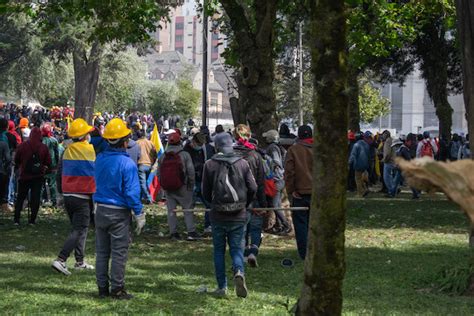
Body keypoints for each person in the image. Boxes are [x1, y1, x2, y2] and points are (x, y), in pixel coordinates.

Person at [93, 118, 145, 300]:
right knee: (118, 253)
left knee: (101, 252)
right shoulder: (127, 163)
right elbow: (131, 193)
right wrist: (139, 213)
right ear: (125, 141)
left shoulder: (99, 159)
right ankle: (117, 289)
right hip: (118, 213)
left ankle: (102, 288)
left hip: (99, 210)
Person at [202, 132, 257, 298]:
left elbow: (204, 192)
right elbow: (253, 188)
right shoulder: (243, 163)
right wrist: (246, 205)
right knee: (236, 249)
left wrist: (212, 205)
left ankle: (222, 287)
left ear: (217, 146)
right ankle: (239, 271)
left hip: (218, 215)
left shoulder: (209, 164)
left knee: (219, 251)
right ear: (231, 144)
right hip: (239, 214)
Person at [51, 118, 96, 276]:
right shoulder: (91, 151)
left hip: (68, 195)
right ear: (84, 136)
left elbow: (59, 174)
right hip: (83, 196)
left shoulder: (66, 151)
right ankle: (61, 259)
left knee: (80, 229)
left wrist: (60, 194)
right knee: (79, 229)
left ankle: (80, 261)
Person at [234, 124, 266, 267]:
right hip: (253, 197)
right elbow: (260, 181)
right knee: (255, 227)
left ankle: (242, 257)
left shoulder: (230, 154)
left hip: (235, 197)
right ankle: (253, 251)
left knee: (241, 229)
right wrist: (263, 203)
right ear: (250, 136)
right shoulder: (256, 155)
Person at [159, 132, 199, 241]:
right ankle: (190, 232)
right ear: (180, 141)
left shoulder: (163, 156)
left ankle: (174, 233)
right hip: (183, 187)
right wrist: (191, 185)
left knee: (171, 211)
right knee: (187, 209)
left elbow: (159, 173)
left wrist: (163, 187)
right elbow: (190, 171)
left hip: (168, 188)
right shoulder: (184, 155)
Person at [284, 125, 313, 260]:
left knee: (301, 225)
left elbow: (289, 172)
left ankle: (304, 253)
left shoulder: (293, 150)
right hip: (318, 193)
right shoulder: (321, 150)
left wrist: (291, 190)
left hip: (300, 192)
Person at [13, 127, 51, 225]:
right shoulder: (43, 147)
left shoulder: (23, 145)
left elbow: (17, 159)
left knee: (20, 197)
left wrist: (20, 166)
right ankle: (32, 220)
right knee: (35, 198)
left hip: (24, 175)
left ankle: (16, 219)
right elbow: (48, 162)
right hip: (38, 176)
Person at [184, 131, 215, 233]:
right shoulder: (186, 150)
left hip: (202, 180)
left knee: (209, 204)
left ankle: (208, 225)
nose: (200, 146)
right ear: (193, 141)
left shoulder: (206, 149)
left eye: (202, 145)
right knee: (190, 205)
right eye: (198, 144)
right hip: (191, 181)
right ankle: (190, 229)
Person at [262, 129, 291, 234]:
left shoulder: (273, 148)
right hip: (280, 179)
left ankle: (286, 225)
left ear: (270, 138)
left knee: (274, 205)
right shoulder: (278, 147)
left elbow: (276, 161)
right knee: (276, 204)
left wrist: (265, 158)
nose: (264, 139)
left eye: (266, 137)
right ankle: (279, 226)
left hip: (276, 180)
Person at [394, 134, 420, 199]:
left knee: (396, 181)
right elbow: (408, 158)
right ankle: (416, 194)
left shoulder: (402, 148)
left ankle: (392, 192)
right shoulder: (405, 149)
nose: (412, 144)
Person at [41, 123, 60, 207]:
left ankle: (41, 201)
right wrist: (57, 164)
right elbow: (57, 154)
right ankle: (54, 202)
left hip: (42, 165)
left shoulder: (40, 140)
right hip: (52, 164)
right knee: (52, 184)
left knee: (41, 184)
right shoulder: (54, 140)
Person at [136, 130, 157, 204]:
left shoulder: (137, 143)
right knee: (144, 183)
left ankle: (148, 198)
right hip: (149, 165)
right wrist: (152, 163)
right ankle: (142, 197)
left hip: (141, 164)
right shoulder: (150, 143)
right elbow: (155, 154)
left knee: (142, 183)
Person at [348, 131, 370, 197]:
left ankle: (360, 193)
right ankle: (365, 189)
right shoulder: (366, 144)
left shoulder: (356, 145)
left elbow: (353, 155)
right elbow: (369, 155)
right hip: (365, 164)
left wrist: (349, 162)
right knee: (362, 178)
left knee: (357, 179)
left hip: (358, 164)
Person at [0, 118, 12, 212]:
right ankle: (4, 205)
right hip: (2, 168)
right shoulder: (6, 138)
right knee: (4, 186)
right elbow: (8, 158)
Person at [381, 130, 397, 197]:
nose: (382, 136)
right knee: (390, 177)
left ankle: (391, 191)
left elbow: (387, 153)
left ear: (385, 135)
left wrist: (384, 160)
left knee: (387, 177)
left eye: (383, 134)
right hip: (393, 161)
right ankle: (393, 190)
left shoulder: (387, 141)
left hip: (388, 162)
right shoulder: (392, 140)